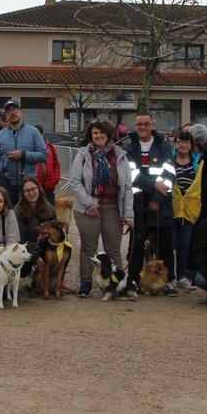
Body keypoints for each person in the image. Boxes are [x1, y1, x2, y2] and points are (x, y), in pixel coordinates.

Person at [70, 119, 135, 298]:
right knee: (89, 248)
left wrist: (129, 214)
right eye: (95, 133)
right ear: (90, 136)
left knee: (113, 249)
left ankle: (117, 284)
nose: (98, 136)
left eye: (102, 133)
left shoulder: (120, 156)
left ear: (108, 135)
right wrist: (89, 202)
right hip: (87, 209)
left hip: (113, 207)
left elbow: (127, 187)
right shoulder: (83, 155)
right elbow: (75, 182)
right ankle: (86, 283)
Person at [120, 111, 179, 294]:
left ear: (152, 125)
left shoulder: (163, 146)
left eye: (146, 123)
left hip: (161, 204)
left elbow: (170, 174)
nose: (143, 127)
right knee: (136, 245)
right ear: (135, 126)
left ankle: (168, 281)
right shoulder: (129, 147)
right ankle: (134, 280)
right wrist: (153, 183)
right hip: (138, 203)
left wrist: (157, 198)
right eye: (139, 124)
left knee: (165, 245)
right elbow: (130, 174)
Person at [0, 99, 47, 204]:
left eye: (15, 109)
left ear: (21, 112)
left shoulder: (34, 132)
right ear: (6, 115)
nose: (13, 113)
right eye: (9, 111)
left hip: (29, 185)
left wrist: (23, 155)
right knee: (7, 216)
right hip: (6, 185)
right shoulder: (0, 135)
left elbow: (44, 155)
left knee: (29, 217)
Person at [34, 125, 61, 206]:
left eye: (39, 134)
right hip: (36, 187)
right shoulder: (30, 148)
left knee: (50, 211)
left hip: (49, 187)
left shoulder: (51, 147)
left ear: (42, 134)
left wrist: (55, 179)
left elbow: (56, 164)